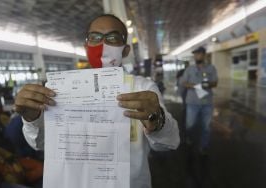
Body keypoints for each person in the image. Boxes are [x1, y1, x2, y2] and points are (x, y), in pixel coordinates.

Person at [14, 14, 180, 188]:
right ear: (86, 46)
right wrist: (32, 119)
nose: (103, 45)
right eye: (95, 37)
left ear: (125, 50)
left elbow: (169, 143)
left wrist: (157, 120)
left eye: (113, 38)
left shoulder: (142, 88)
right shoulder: (60, 89)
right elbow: (39, 144)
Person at [181, 47, 218, 153]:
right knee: (190, 125)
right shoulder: (189, 69)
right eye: (195, 54)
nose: (197, 56)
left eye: (199, 54)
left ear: (204, 55)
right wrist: (195, 86)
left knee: (206, 127)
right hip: (192, 102)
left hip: (207, 102)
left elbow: (215, 82)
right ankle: (189, 138)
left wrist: (206, 84)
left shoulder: (211, 68)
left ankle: (204, 146)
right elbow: (183, 82)